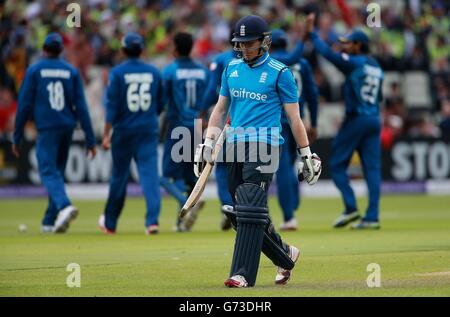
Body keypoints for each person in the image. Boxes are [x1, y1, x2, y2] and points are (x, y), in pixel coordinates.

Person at [194, 15, 322, 288]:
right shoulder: (231, 69)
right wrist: (206, 142)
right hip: (235, 145)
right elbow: (219, 110)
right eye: (239, 43)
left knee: (249, 206)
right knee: (242, 212)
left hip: (266, 145)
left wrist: (307, 153)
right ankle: (285, 254)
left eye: (249, 43)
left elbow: (294, 118)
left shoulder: (280, 72)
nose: (243, 48)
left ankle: (241, 274)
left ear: (265, 42)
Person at [12, 32, 97, 233]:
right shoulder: (71, 71)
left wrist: (17, 135)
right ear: (61, 50)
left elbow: (24, 105)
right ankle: (49, 221)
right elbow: (81, 107)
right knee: (56, 172)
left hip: (47, 127)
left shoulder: (34, 70)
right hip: (67, 127)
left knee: (48, 170)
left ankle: (64, 206)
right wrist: (90, 139)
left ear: (44, 49)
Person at [305, 14, 384, 229]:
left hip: (357, 119)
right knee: (372, 169)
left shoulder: (354, 62)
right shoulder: (376, 66)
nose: (345, 47)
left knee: (338, 164)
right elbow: (379, 98)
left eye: (348, 43)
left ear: (359, 45)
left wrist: (312, 33)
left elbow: (327, 54)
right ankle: (372, 217)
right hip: (374, 119)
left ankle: (351, 208)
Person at [99, 32, 163, 235]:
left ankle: (110, 223)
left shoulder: (117, 73)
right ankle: (152, 221)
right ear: (142, 49)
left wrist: (106, 133)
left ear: (123, 50)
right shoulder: (153, 72)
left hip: (124, 131)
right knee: (150, 176)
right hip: (147, 129)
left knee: (119, 176)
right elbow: (161, 103)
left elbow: (112, 107)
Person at [270, 29, 319, 231]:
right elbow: (313, 95)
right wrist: (313, 122)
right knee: (291, 165)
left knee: (281, 168)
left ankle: (289, 216)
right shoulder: (303, 64)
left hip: (277, 121)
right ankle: (293, 202)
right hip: (297, 120)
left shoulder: (270, 63)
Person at [161, 32, 209, 232]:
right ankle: (182, 224)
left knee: (166, 177)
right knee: (190, 177)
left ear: (175, 48)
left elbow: (162, 100)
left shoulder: (170, 71)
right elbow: (209, 97)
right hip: (198, 126)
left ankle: (185, 202)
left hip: (178, 125)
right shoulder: (203, 71)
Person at [200, 31, 237, 231]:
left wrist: (201, 110)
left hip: (224, 114)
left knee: (221, 165)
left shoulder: (221, 60)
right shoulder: (255, 60)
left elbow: (210, 89)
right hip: (246, 116)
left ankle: (228, 205)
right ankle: (242, 205)